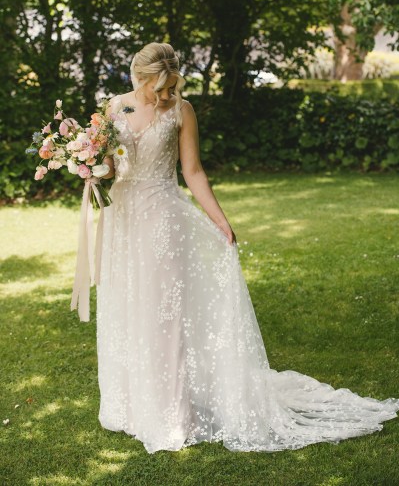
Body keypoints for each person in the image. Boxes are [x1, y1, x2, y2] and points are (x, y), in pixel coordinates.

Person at [96, 42, 399, 454]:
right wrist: (90, 169)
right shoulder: (113, 108)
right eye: (159, 88)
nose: (166, 96)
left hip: (164, 221)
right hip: (123, 221)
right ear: (139, 77)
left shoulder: (182, 112)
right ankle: (132, 406)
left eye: (172, 87)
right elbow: (110, 165)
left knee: (166, 314)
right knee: (128, 307)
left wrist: (221, 221)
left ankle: (173, 413)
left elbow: (193, 171)